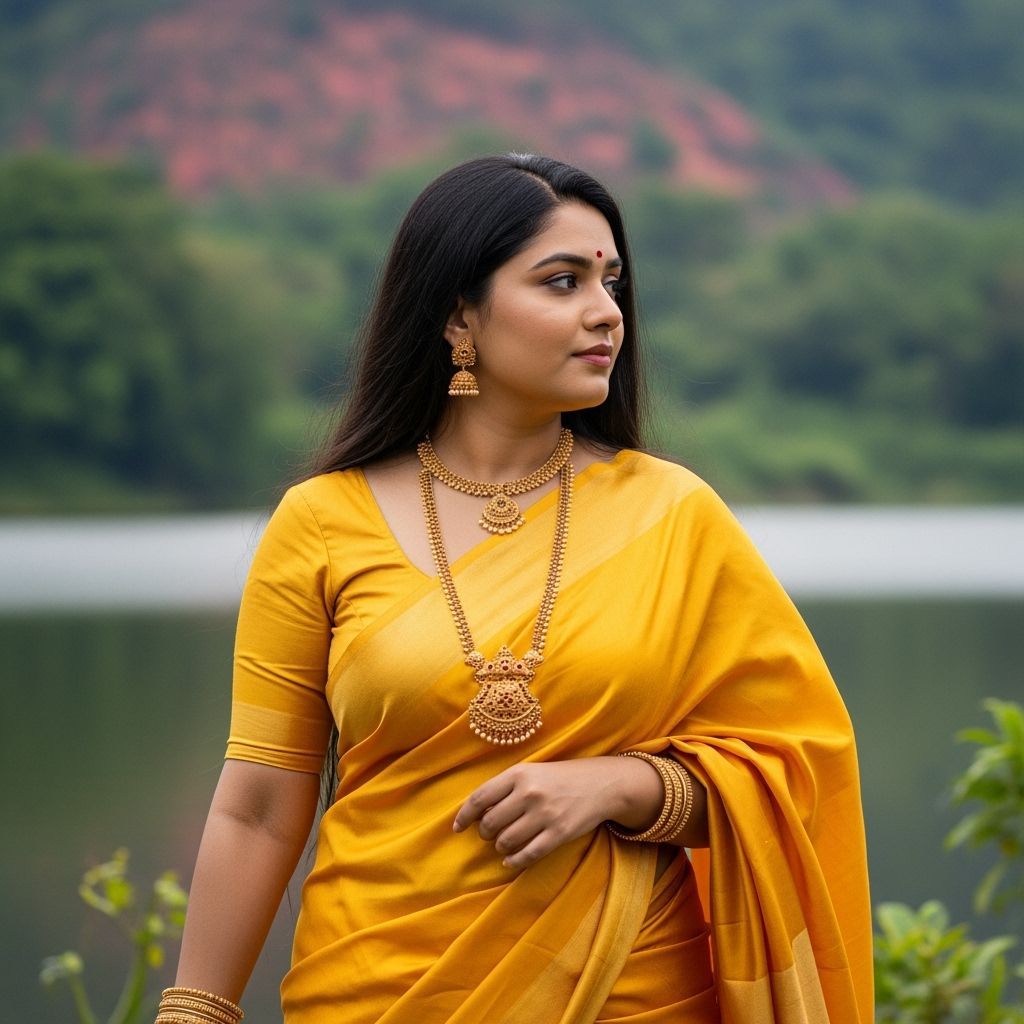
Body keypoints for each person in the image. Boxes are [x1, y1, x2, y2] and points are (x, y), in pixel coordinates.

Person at [158, 154, 872, 1024]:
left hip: (630, 990)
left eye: (611, 282)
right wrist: (194, 1011)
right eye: (562, 281)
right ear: (460, 315)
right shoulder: (320, 523)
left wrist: (620, 786)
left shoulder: (673, 515)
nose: (606, 312)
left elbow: (796, 775)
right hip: (377, 986)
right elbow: (262, 806)